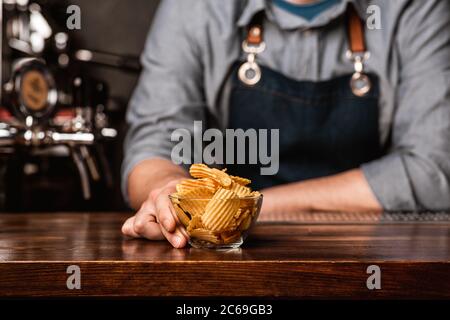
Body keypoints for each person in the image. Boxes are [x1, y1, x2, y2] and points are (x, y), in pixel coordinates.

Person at [121, 0, 450, 248]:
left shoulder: (414, 8)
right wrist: (166, 189)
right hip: (231, 262)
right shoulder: (196, 7)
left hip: (371, 260)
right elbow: (154, 143)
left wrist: (245, 209)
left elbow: (432, 170)